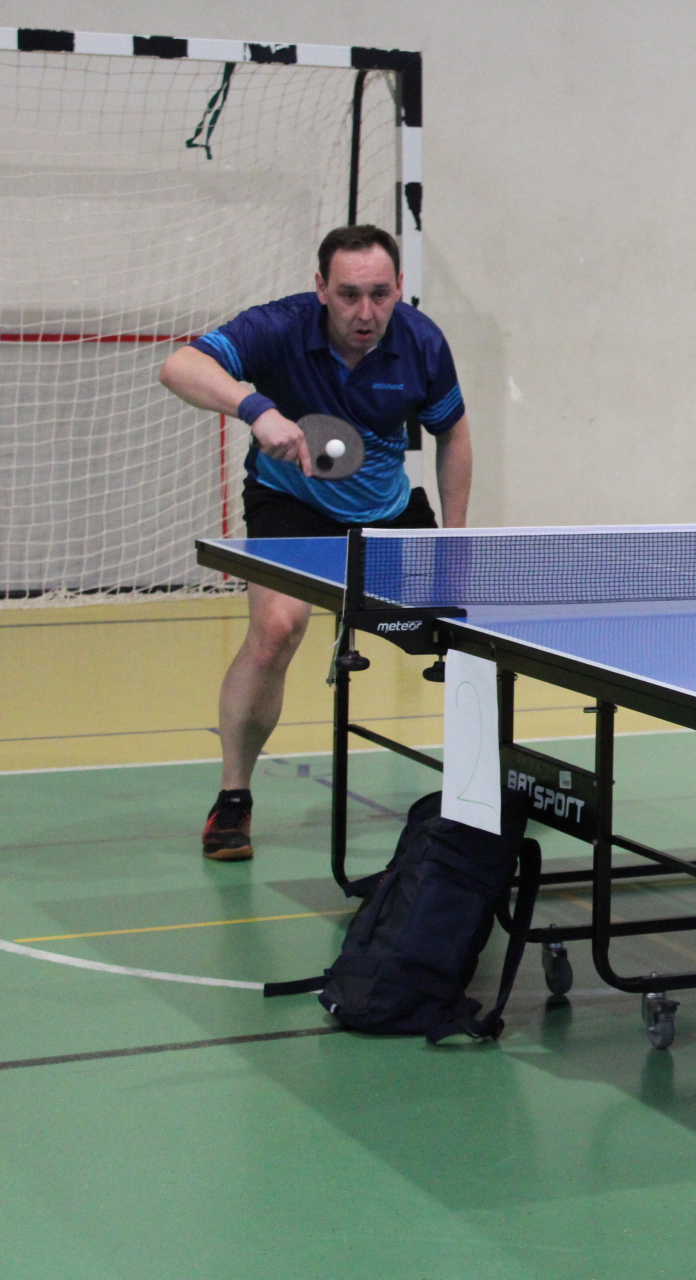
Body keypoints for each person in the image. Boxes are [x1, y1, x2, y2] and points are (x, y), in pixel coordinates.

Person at [158, 225, 472, 862]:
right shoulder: (278, 328)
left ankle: (482, 792)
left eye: (380, 294)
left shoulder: (421, 343)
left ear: (399, 288)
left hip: (386, 510)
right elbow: (178, 367)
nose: (366, 312)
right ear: (322, 288)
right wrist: (256, 409)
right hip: (290, 503)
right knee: (277, 628)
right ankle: (233, 798)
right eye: (349, 295)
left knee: (471, 635)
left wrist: (457, 542)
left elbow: (454, 435)